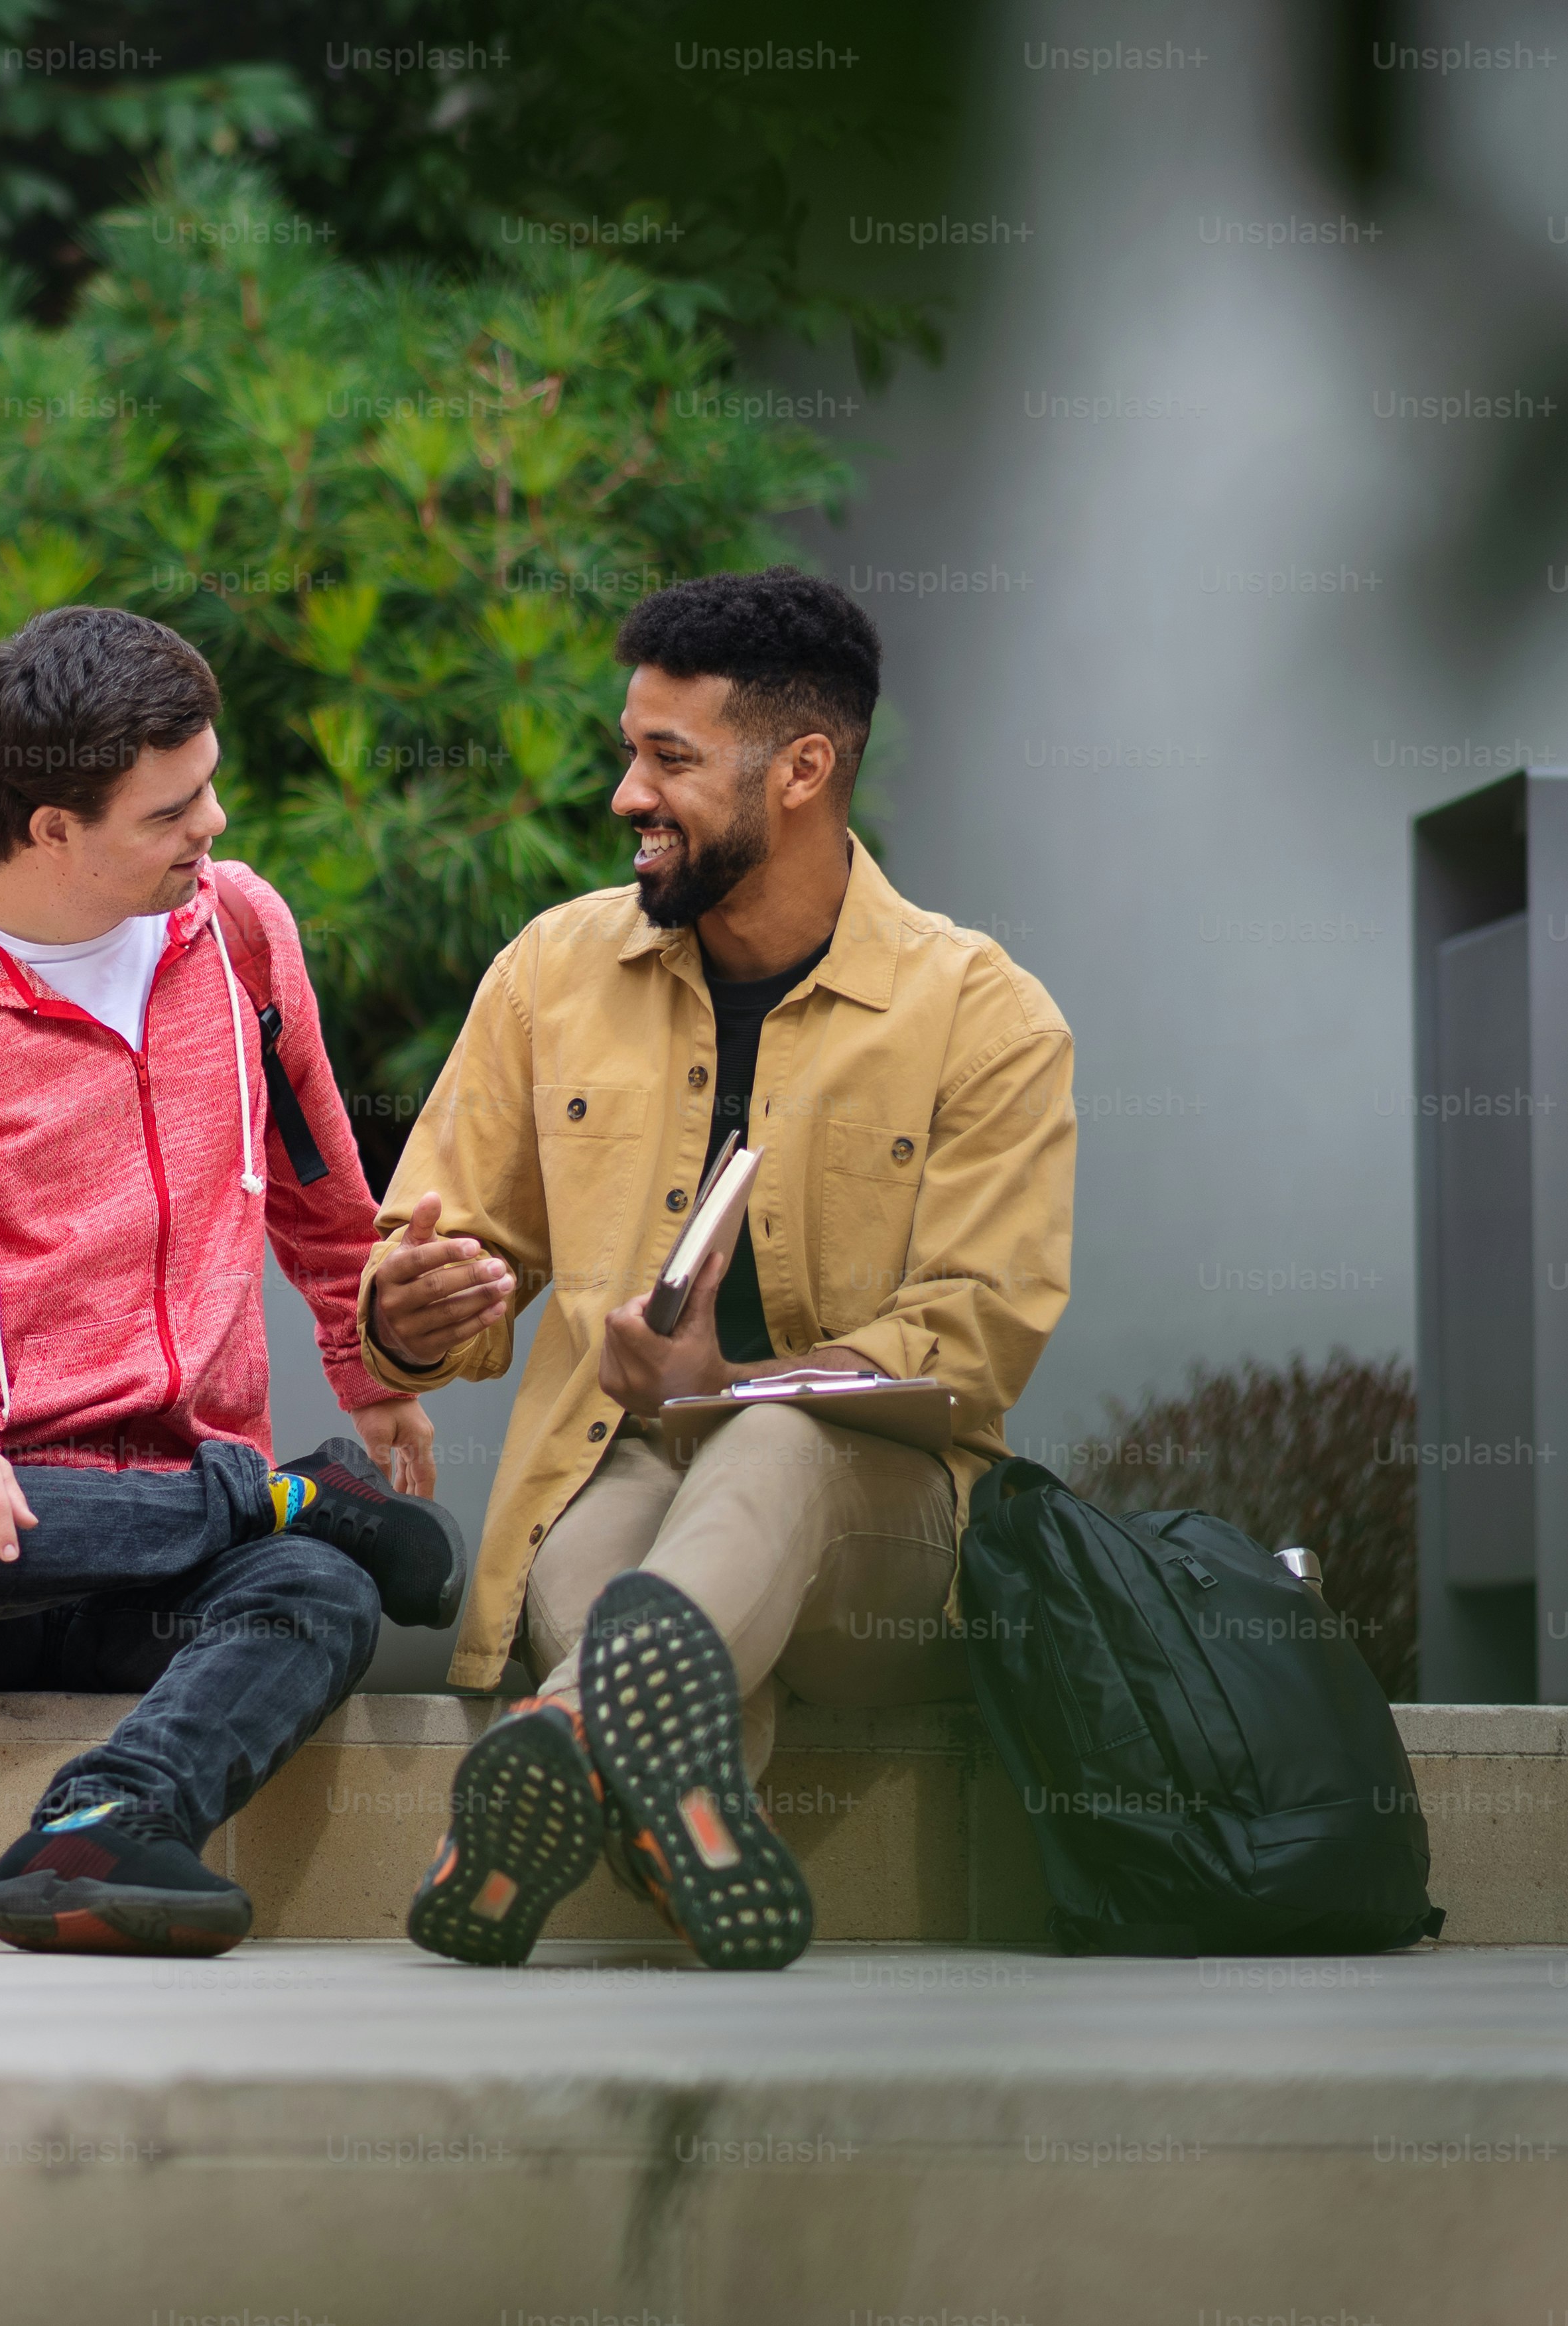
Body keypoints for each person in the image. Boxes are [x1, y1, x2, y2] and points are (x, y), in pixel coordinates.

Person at [358, 568, 1076, 1971]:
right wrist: (406, 1311)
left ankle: (562, 1728)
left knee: (777, 1443)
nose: (628, 790)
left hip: (873, 1539)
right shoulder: (552, 970)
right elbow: (436, 1257)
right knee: (609, 1546)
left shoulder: (982, 1013)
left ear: (803, 768)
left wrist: (730, 1381)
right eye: (633, 748)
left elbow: (979, 1330)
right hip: (617, 1469)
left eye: (668, 758)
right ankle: (667, 1793)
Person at [0, 603, 465, 1959]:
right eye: (170, 810)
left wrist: (371, 1373)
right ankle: (279, 1495)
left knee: (321, 1594)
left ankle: (102, 1824)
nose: (210, 827)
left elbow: (321, 1176)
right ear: (50, 827)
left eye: (207, 787)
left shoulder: (241, 936)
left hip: (158, 1555)